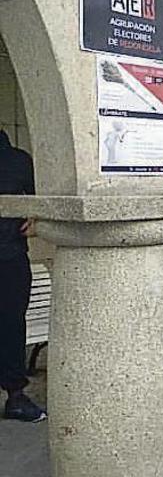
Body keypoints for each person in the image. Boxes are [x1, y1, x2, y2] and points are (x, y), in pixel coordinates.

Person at [0, 129, 46, 423]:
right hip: (10, 256)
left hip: (9, 255)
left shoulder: (16, 160)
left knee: (11, 325)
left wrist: (35, 216)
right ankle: (15, 396)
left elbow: (40, 201)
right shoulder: (17, 160)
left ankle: (16, 395)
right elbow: (39, 200)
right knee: (11, 326)